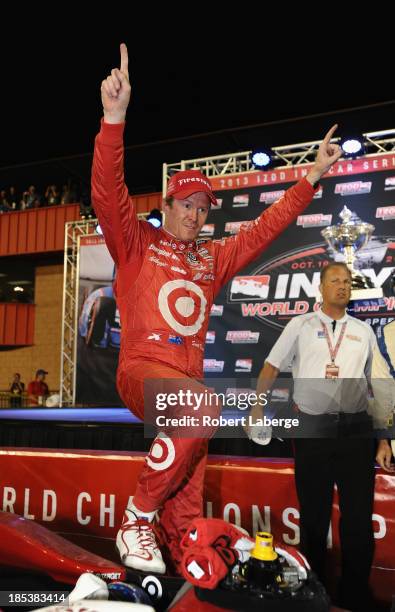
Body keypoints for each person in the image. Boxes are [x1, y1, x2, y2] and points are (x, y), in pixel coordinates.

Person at [91, 42, 342, 575]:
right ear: (167, 205)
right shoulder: (136, 242)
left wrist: (312, 177)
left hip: (187, 390)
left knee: (188, 497)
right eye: (187, 205)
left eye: (204, 208)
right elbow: (108, 194)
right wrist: (114, 121)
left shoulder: (214, 255)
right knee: (199, 407)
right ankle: (136, 517)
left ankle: (181, 557)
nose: (196, 215)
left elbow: (266, 227)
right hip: (143, 371)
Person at [248, 262, 392, 611]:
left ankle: (355, 595)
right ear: (321, 288)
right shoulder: (300, 325)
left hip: (356, 431)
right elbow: (271, 366)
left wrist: (385, 438)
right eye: (334, 281)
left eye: (346, 282)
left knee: (358, 519)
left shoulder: (363, 331)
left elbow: (378, 386)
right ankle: (314, 592)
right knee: (314, 519)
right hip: (313, 431)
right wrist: (256, 408)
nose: (342, 287)